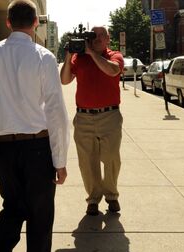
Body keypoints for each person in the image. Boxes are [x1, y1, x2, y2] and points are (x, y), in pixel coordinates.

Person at [0, 1, 69, 252]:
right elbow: (56, 111)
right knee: (40, 214)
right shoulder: (43, 57)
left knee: (13, 206)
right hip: (37, 148)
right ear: (36, 22)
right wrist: (60, 161)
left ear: (8, 22)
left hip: (2, 147)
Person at [60, 25, 124, 216]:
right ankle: (93, 198)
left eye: (100, 36)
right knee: (87, 161)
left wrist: (92, 53)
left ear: (107, 39)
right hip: (84, 117)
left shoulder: (114, 55)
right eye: (92, 35)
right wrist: (68, 56)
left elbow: (112, 71)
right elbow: (64, 80)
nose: (95, 38)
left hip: (109, 116)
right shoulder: (78, 58)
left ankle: (111, 195)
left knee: (111, 157)